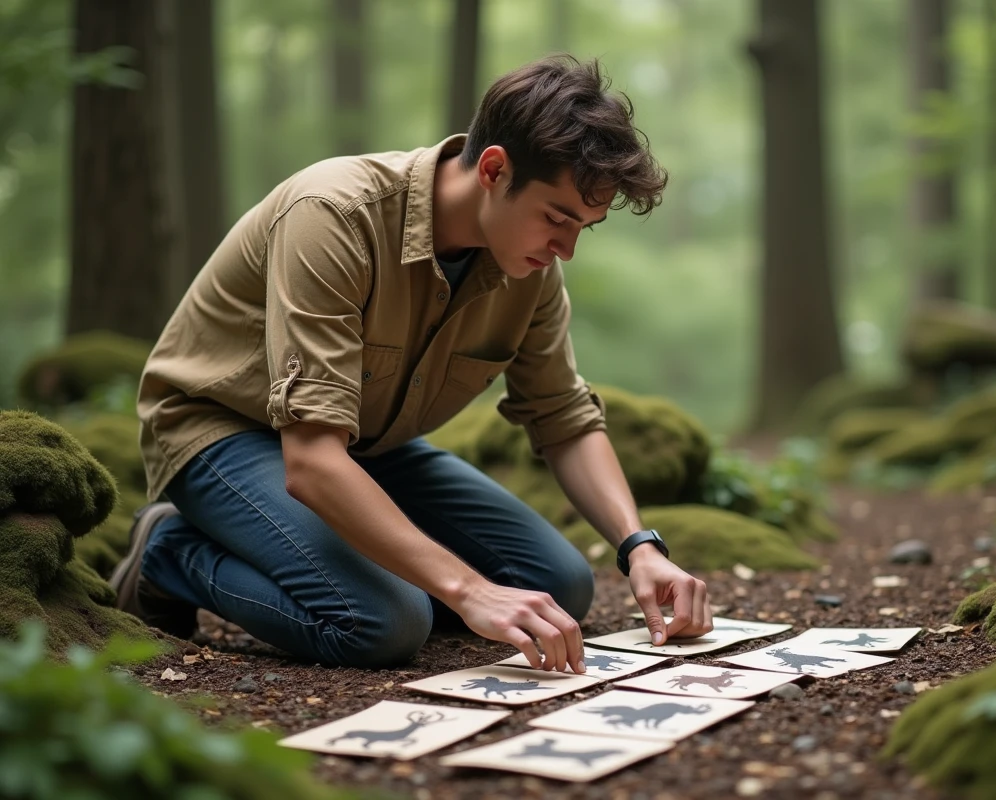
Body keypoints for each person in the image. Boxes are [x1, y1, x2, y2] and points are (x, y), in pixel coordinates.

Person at [110, 55, 713, 673]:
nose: (567, 248)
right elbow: (313, 461)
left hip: (370, 445)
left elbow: (563, 417)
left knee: (559, 585)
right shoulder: (335, 214)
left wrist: (639, 546)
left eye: (584, 227)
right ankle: (169, 550)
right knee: (384, 622)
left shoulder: (530, 269)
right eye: (557, 218)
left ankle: (365, 564)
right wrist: (467, 588)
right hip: (223, 432)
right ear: (494, 169)